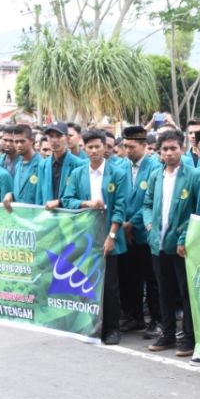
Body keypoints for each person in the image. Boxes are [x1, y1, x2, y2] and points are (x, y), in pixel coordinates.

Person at [62, 130, 130, 345]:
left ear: (105, 147)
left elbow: (120, 207)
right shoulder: (78, 173)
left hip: (109, 234)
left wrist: (112, 235)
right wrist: (87, 203)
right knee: (86, 281)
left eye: (97, 146)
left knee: (109, 285)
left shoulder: (117, 173)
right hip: (85, 235)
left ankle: (112, 328)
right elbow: (67, 199)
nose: (93, 151)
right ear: (84, 148)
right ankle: (90, 325)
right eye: (89, 147)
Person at [140, 129, 200, 356]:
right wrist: (148, 226)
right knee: (163, 291)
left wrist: (185, 235)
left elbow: (197, 210)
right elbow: (146, 204)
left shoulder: (193, 176)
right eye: (164, 149)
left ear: (182, 149)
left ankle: (188, 336)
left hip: (182, 245)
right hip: (158, 242)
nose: (169, 153)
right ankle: (166, 333)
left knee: (185, 292)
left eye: (173, 148)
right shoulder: (156, 175)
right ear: (159, 152)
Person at [118, 126, 162, 337]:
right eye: (125, 146)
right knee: (129, 278)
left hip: (144, 233)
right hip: (124, 233)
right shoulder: (120, 166)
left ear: (145, 146)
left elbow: (150, 202)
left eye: (132, 147)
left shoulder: (155, 167)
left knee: (152, 280)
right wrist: (122, 223)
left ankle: (157, 320)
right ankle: (133, 317)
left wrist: (131, 223)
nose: (127, 150)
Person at [39, 122, 86, 207]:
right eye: (51, 136)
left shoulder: (79, 164)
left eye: (58, 136)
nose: (54, 140)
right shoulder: (43, 165)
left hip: (69, 216)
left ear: (67, 138)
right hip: (47, 215)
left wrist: (60, 202)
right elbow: (39, 196)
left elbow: (81, 196)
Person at [4, 124, 43, 207]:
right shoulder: (18, 165)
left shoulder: (42, 165)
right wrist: (10, 194)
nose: (19, 145)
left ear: (32, 140)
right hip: (18, 216)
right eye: (16, 142)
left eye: (22, 141)